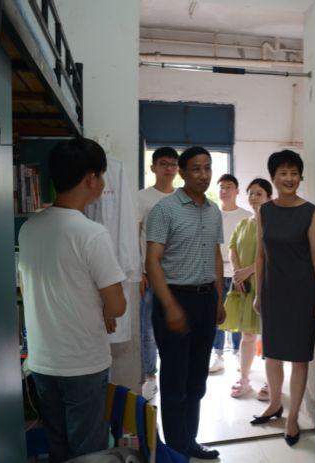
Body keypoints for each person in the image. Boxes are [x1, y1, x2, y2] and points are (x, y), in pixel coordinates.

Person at [18, 138, 127, 462]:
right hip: (82, 362)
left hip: (42, 361)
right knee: (88, 452)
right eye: (102, 175)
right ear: (91, 178)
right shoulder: (91, 233)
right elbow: (118, 306)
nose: (103, 182)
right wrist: (106, 308)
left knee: (58, 445)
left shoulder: (30, 227)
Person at [145, 146, 225, 460]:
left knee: (197, 380)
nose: (203, 175)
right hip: (174, 299)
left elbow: (216, 254)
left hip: (206, 301)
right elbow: (152, 261)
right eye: (196, 168)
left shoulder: (213, 211)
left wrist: (219, 298)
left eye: (208, 168)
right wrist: (170, 306)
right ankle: (176, 450)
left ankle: (189, 442)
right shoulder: (164, 210)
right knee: (175, 381)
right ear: (182, 172)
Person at [251, 150, 315, 447]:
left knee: (298, 357)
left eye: (294, 173)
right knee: (272, 353)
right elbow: (260, 256)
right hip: (273, 291)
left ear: (300, 177)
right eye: (283, 173)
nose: (289, 178)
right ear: (273, 177)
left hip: (302, 293)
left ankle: (293, 416)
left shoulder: (310, 212)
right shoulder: (264, 211)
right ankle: (275, 404)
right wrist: (258, 293)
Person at [219, 178, 273, 398]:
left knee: (270, 336)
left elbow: (270, 255)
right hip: (245, 287)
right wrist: (237, 272)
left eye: (259, 193)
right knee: (247, 335)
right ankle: (244, 379)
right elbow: (232, 247)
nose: (254, 197)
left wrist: (248, 271)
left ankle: (271, 382)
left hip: (267, 285)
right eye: (251, 193)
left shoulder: (273, 224)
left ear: (269, 197)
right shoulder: (243, 223)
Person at [136, 146, 179, 400]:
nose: (169, 168)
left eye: (173, 164)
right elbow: (134, 236)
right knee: (148, 331)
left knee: (176, 328)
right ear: (153, 167)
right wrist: (138, 273)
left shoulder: (182, 198)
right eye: (163, 163)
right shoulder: (142, 198)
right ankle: (150, 377)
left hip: (178, 277)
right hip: (150, 276)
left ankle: (172, 375)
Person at [209, 174, 252, 373]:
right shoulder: (213, 215)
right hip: (216, 272)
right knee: (216, 313)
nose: (224, 191)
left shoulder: (246, 216)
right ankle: (217, 355)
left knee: (238, 314)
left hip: (239, 272)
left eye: (229, 186)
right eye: (221, 187)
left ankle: (237, 353)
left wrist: (242, 271)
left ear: (237, 190)